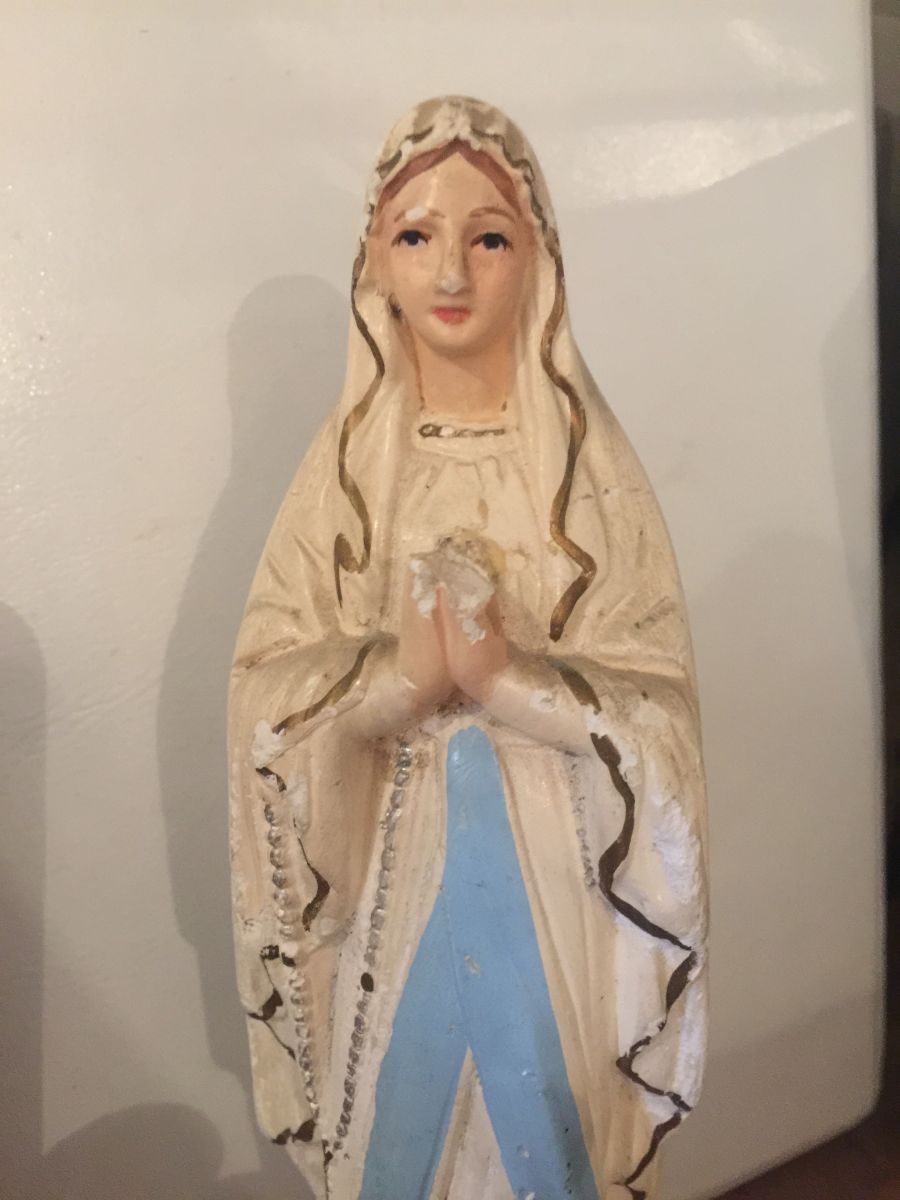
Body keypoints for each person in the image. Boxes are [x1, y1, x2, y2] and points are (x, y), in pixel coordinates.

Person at [228, 95, 709, 1200]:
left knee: (550, 1136)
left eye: (488, 238)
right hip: (390, 898)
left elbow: (664, 712)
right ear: (375, 263)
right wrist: (393, 686)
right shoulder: (345, 482)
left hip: (554, 889)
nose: (450, 272)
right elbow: (264, 694)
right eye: (416, 236)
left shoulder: (589, 479)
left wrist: (508, 682)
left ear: (537, 260)